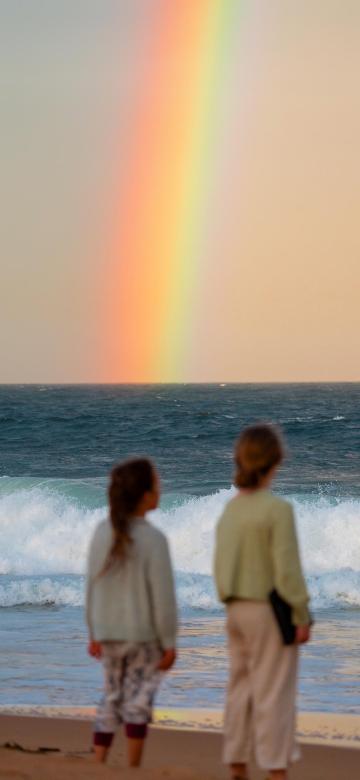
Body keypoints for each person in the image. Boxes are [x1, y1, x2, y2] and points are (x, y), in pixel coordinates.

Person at [214, 424, 311, 780]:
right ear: (277, 460)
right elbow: (287, 570)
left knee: (240, 687)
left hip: (235, 607)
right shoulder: (277, 509)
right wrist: (301, 613)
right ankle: (275, 768)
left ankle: (237, 762)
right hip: (269, 610)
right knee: (274, 693)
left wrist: (228, 597)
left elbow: (220, 563)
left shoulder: (230, 509)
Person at [85, 457, 177, 768]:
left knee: (111, 697)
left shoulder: (101, 532)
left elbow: (90, 588)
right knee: (138, 702)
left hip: (108, 632)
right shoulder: (154, 539)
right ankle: (133, 768)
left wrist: (93, 633)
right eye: (157, 484)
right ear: (145, 495)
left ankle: (99, 763)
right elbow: (163, 598)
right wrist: (169, 641)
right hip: (143, 637)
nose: (160, 489)